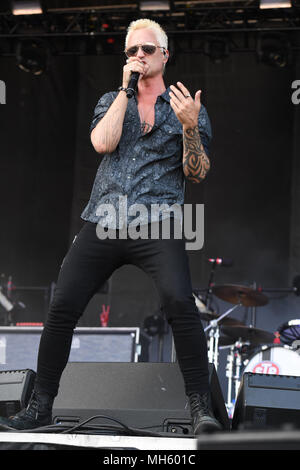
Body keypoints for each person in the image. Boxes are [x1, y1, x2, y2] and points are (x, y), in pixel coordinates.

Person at [0, 18, 221, 434]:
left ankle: (200, 409)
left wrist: (190, 126)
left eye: (147, 50)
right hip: (104, 219)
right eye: (132, 51)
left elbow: (197, 173)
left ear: (164, 55)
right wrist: (125, 89)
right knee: (62, 306)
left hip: (158, 222)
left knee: (179, 304)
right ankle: (41, 405)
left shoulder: (187, 107)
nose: (139, 56)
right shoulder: (110, 99)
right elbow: (103, 143)